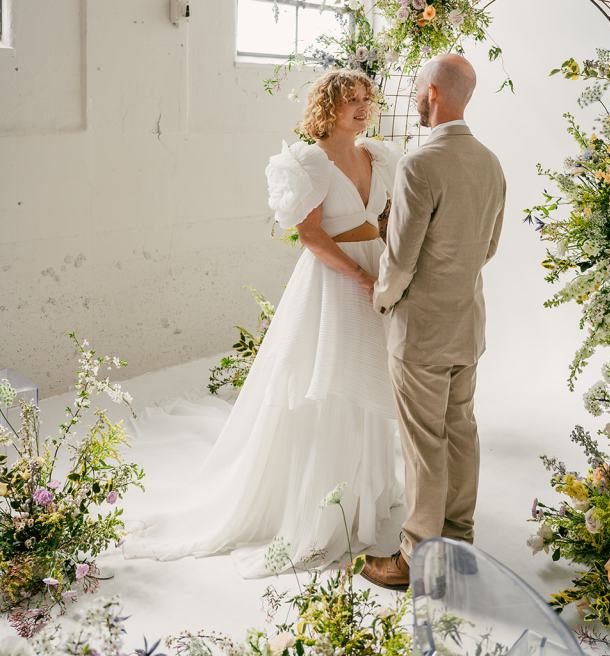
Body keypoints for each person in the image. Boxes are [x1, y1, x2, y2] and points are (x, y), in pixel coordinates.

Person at [123, 69, 402, 576]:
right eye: (349, 100)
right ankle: (320, 507)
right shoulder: (307, 162)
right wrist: (362, 278)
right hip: (333, 283)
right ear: (328, 107)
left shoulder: (377, 156)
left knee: (368, 378)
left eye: (366, 98)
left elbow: (383, 220)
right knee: (327, 383)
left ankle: (361, 496)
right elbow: (312, 238)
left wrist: (388, 262)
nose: (361, 107)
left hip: (376, 271)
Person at [361, 55, 506, 590]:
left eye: (419, 88)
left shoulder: (420, 165)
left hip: (420, 330)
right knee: (460, 431)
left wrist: (381, 300)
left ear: (435, 94)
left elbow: (399, 261)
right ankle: (459, 541)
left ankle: (417, 558)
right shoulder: (490, 162)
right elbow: (487, 247)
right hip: (467, 324)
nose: (416, 97)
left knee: (423, 444)